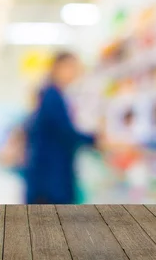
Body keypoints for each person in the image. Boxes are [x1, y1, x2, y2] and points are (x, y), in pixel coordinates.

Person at [24, 51, 103, 204]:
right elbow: (66, 132)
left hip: (49, 176)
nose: (76, 74)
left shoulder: (53, 94)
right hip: (50, 180)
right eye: (72, 68)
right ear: (58, 68)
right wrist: (96, 140)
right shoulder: (52, 95)